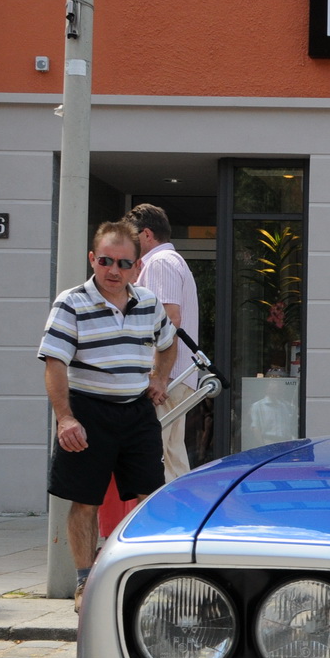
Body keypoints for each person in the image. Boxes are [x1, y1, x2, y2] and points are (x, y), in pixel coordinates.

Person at [38, 222, 175, 610]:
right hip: (87, 411)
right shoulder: (71, 302)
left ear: (136, 266)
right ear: (92, 259)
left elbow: (169, 343)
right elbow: (54, 363)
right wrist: (66, 418)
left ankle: (151, 577)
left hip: (136, 412)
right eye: (105, 260)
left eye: (123, 263)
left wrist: (160, 378)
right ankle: (85, 584)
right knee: (85, 501)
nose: (113, 270)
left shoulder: (148, 302)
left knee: (150, 498)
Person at [127, 204, 200, 478]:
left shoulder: (159, 263)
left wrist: (158, 376)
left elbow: (169, 319)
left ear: (146, 234)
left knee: (157, 457)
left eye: (131, 235)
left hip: (168, 377)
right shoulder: (171, 261)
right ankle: (184, 515)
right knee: (171, 457)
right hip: (177, 376)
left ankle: (168, 518)